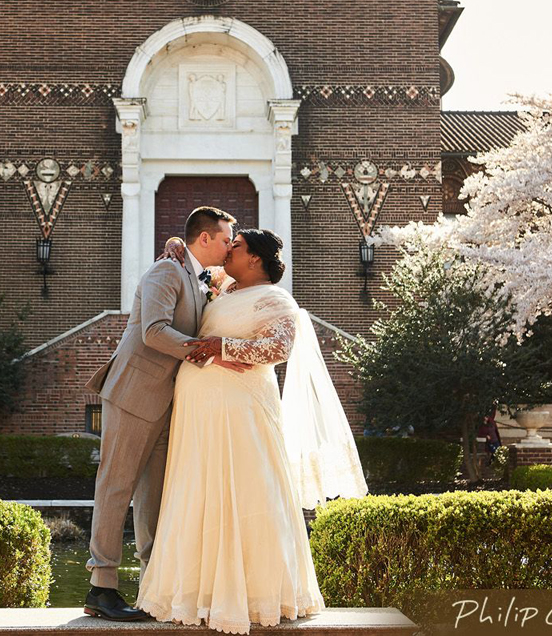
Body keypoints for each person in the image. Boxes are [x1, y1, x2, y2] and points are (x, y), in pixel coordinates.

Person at [136, 229, 367, 634]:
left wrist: (220, 346)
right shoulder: (223, 289)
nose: (228, 250)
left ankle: (255, 597)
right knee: (198, 489)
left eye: (236, 247)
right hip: (199, 415)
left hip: (241, 412)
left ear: (255, 260)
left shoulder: (276, 300)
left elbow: (278, 348)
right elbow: (198, 254)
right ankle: (196, 594)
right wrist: (176, 242)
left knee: (245, 489)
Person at [82, 206, 248, 621]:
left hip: (168, 403)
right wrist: (208, 353)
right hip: (134, 395)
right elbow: (152, 331)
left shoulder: (194, 276)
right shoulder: (166, 272)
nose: (230, 247)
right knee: (115, 487)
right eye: (227, 239)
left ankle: (152, 585)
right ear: (205, 238)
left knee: (154, 497)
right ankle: (101, 588)